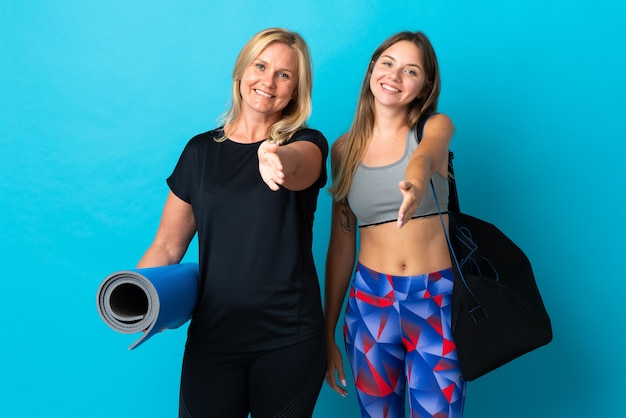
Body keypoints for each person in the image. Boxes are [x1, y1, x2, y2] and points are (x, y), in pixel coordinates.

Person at [137, 28, 328, 417]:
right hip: (213, 337)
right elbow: (168, 246)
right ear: (241, 71)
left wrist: (276, 159)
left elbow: (300, 165)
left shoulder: (308, 143)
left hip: (288, 340)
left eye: (284, 75)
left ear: (295, 91)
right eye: (261, 66)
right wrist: (137, 296)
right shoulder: (199, 152)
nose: (268, 81)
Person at [323, 31, 466, 417]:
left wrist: (416, 183)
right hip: (369, 303)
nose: (394, 76)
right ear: (372, 69)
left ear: (424, 87)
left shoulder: (434, 126)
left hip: (433, 300)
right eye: (387, 63)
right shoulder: (342, 150)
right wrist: (328, 331)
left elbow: (426, 157)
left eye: (411, 71)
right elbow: (341, 245)